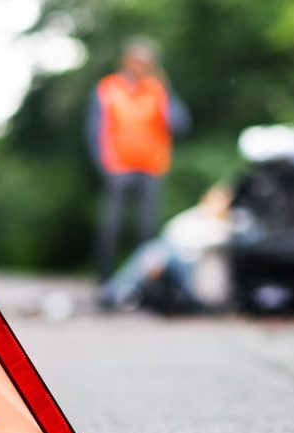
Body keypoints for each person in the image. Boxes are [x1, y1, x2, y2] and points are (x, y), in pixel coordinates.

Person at [87, 36, 190, 282]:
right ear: (126, 61)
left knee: (147, 228)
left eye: (145, 63)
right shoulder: (108, 88)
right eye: (136, 61)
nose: (140, 67)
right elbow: (94, 129)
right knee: (111, 225)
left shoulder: (157, 89)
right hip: (118, 166)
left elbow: (180, 124)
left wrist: (166, 91)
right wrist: (103, 163)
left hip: (152, 166)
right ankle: (104, 280)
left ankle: (142, 282)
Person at [99, 185, 232, 313]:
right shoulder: (195, 216)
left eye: (221, 201)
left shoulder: (226, 225)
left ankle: (119, 291)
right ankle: (125, 291)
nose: (217, 205)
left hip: (190, 270)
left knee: (154, 251)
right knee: (154, 250)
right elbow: (171, 231)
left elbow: (201, 242)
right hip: (173, 259)